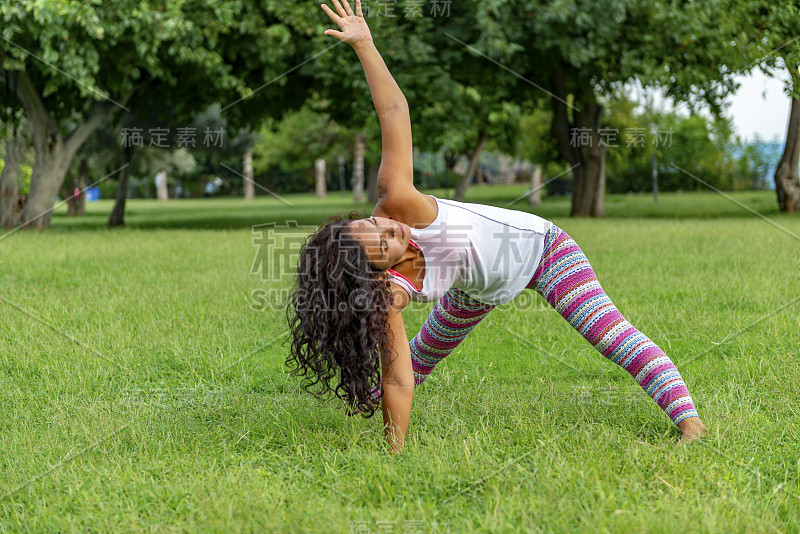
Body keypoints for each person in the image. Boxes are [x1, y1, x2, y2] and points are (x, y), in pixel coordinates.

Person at [285, 0, 707, 453]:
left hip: (544, 255)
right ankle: (365, 408)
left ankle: (689, 423)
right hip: (474, 290)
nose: (393, 230)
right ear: (374, 271)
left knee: (610, 335)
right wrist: (394, 452)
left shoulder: (397, 199)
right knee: (420, 356)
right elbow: (400, 375)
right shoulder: (386, 294)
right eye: (384, 244)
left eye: (376, 223)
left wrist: (365, 45)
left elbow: (394, 113)